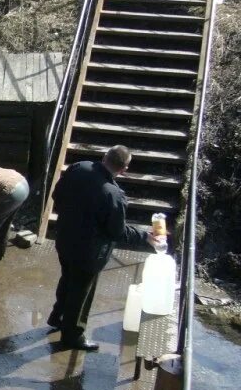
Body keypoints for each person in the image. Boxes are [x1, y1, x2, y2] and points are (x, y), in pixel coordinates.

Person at [48, 145, 162, 351]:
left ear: (104, 156)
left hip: (65, 239)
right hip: (89, 252)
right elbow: (117, 232)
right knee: (81, 292)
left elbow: (57, 194)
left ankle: (58, 317)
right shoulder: (113, 194)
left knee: (67, 279)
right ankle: (72, 336)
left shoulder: (78, 167)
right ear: (124, 169)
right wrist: (145, 236)